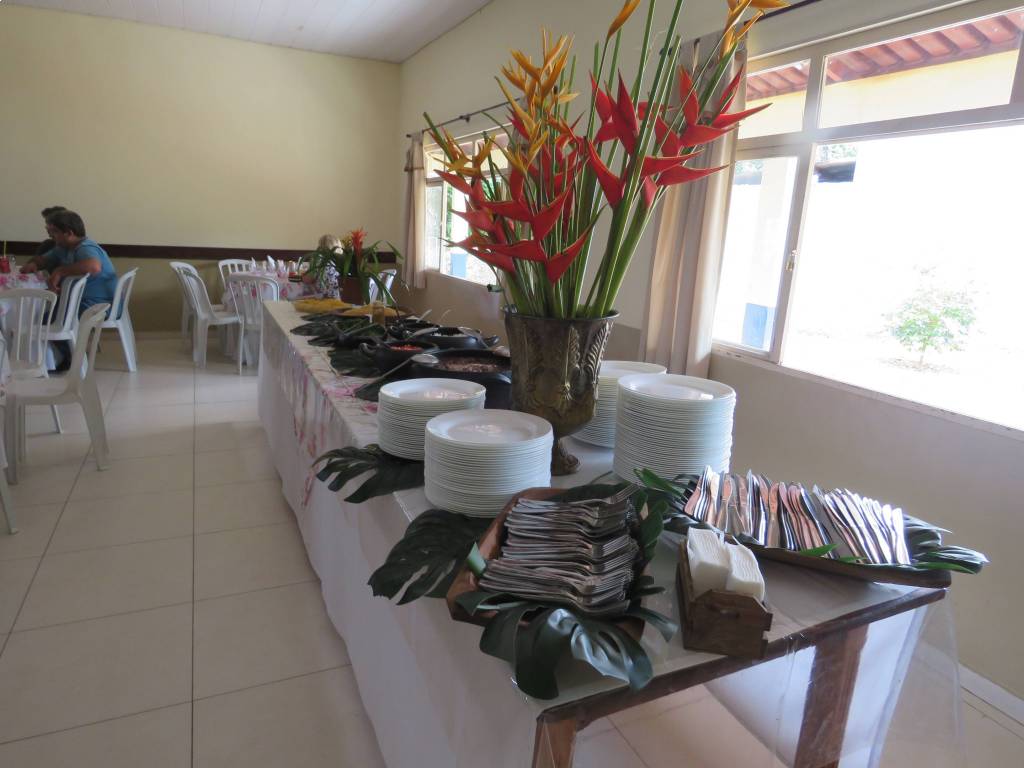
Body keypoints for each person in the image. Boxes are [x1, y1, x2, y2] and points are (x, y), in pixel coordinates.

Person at [23, 209, 118, 313]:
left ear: (68, 233)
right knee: (37, 312)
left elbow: (94, 267)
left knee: (36, 316)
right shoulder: (63, 248)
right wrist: (34, 263)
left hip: (99, 306)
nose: (50, 235)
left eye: (54, 231)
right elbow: (43, 259)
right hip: (79, 301)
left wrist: (59, 271)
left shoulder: (85, 247)